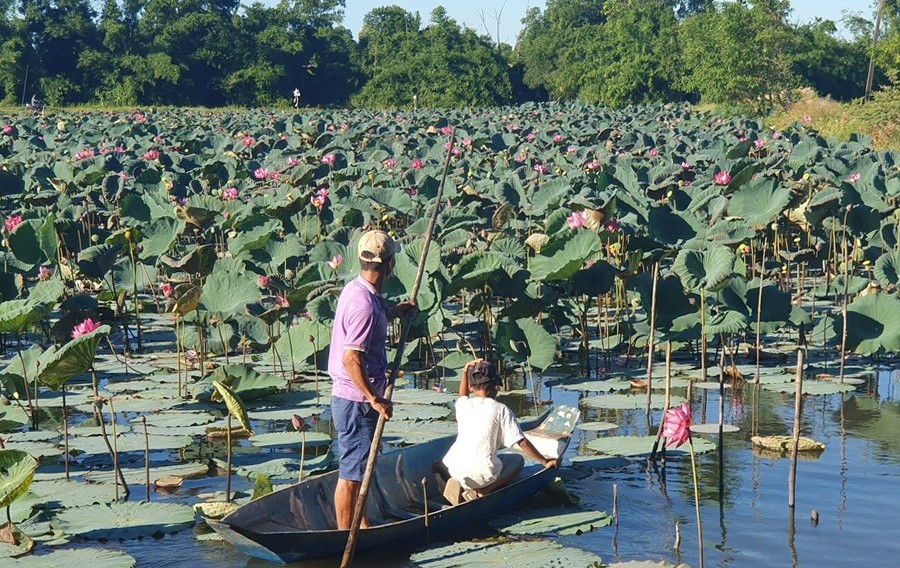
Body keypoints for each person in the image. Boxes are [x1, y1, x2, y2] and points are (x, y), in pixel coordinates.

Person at [329, 229, 416, 529]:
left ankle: (362, 525)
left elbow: (373, 318)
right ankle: (344, 536)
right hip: (355, 402)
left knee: (361, 468)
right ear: (389, 265)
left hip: (355, 399)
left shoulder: (360, 290)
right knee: (352, 476)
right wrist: (374, 398)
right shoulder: (364, 305)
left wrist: (394, 312)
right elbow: (351, 359)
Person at [441, 359, 558, 505]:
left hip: (455, 469)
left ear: (471, 387)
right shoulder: (501, 409)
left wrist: (465, 372)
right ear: (497, 387)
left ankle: (460, 483)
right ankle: (483, 491)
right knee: (517, 461)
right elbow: (522, 442)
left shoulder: (463, 405)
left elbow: (462, 394)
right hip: (483, 476)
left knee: (479, 460)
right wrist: (545, 461)